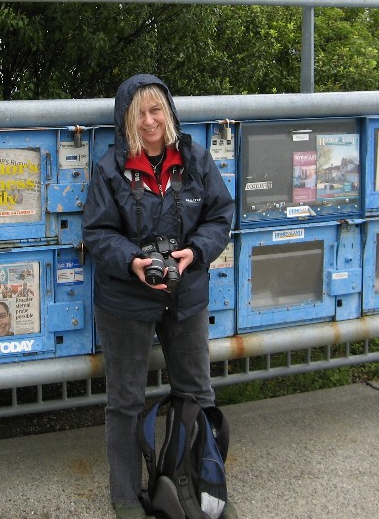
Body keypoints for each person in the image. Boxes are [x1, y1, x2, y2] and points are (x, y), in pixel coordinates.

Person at [83, 74, 236, 519]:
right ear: (126, 119)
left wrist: (196, 252)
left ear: (168, 113)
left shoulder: (195, 160)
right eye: (140, 112)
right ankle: (126, 498)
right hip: (125, 300)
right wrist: (132, 260)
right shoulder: (111, 168)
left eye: (156, 110)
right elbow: (96, 232)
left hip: (186, 293)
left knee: (197, 393)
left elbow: (220, 215)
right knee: (126, 401)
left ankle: (201, 489)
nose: (149, 120)